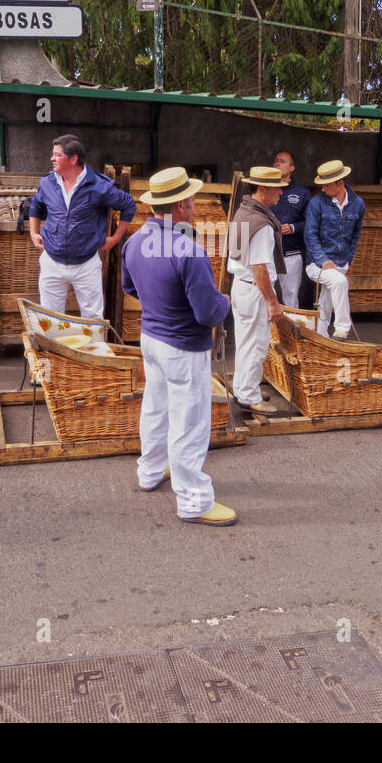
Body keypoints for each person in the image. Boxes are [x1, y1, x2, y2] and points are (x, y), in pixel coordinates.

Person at [121, 167, 237, 526]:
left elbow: (130, 289)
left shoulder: (135, 241)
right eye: (193, 200)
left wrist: (162, 303)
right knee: (189, 423)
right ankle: (194, 502)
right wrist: (226, 302)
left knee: (156, 408)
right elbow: (207, 313)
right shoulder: (190, 251)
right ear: (184, 205)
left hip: (151, 339)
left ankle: (150, 472)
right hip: (184, 347)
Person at [28, 134, 136, 319]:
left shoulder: (100, 186)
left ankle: (92, 348)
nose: (51, 158)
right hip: (52, 262)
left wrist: (116, 238)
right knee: (49, 320)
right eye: (52, 154)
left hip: (86, 264)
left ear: (74, 158)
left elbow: (128, 205)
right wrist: (33, 232)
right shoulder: (47, 183)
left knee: (93, 319)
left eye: (57, 155)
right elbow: (36, 206)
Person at [227, 166, 287, 415]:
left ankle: (244, 388)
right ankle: (249, 395)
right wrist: (272, 301)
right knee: (256, 345)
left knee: (245, 343)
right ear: (262, 189)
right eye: (277, 188)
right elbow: (260, 267)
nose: (281, 193)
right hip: (254, 289)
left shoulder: (243, 211)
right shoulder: (261, 224)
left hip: (241, 287)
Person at [303, 159, 365, 339]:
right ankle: (342, 329)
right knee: (339, 282)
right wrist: (322, 260)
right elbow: (310, 235)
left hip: (341, 261)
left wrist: (348, 257)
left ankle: (321, 338)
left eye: (326, 185)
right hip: (316, 263)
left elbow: (355, 235)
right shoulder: (316, 203)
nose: (322, 189)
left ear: (340, 183)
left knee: (326, 302)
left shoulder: (358, 204)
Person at [270, 151, 311, 308]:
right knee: (266, 296)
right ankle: (269, 333)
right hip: (268, 252)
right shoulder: (266, 190)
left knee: (291, 296)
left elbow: (311, 223)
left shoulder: (302, 193)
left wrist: (293, 227)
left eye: (282, 161)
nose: (277, 163)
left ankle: (291, 332)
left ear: (292, 167)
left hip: (291, 253)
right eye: (275, 161)